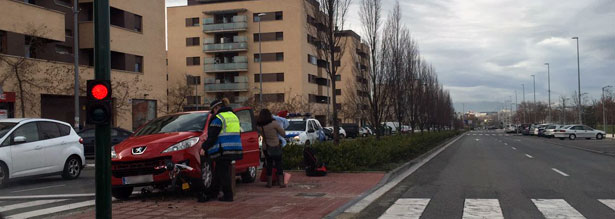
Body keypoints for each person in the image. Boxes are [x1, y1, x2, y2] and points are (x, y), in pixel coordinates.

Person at [198, 98, 242, 202]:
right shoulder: (233, 116)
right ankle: (214, 193)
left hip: (223, 149)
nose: (212, 113)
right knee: (218, 172)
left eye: (212, 110)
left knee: (223, 173)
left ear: (217, 108)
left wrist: (204, 147)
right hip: (234, 148)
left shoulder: (218, 118)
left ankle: (228, 195)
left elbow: (212, 136)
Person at [257, 109, 286, 188]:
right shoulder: (274, 124)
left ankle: (269, 183)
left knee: (268, 164)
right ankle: (281, 183)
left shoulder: (259, 126)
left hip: (266, 147)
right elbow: (283, 133)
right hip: (275, 146)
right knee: (279, 164)